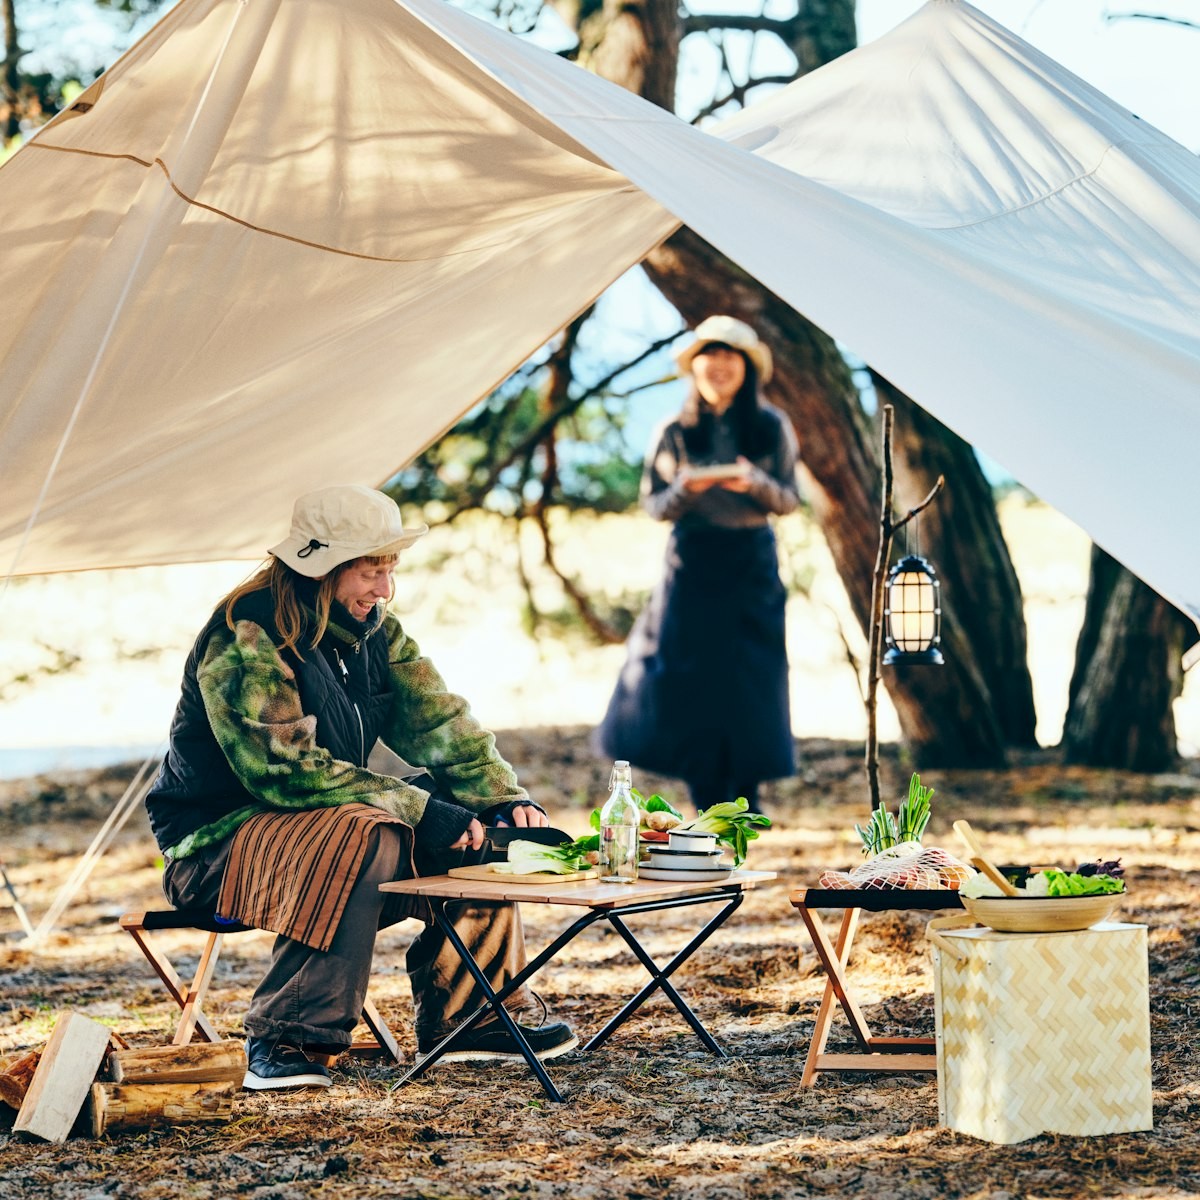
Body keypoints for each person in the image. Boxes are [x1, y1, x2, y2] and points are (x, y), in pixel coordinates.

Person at [145, 484, 576, 1090]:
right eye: (371, 572)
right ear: (320, 569)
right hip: (216, 848)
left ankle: (471, 1015)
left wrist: (504, 798)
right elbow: (283, 770)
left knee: (482, 833)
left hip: (324, 835)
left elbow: (441, 722)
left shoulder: (377, 629)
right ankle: (288, 1033)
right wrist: (420, 810)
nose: (385, 589)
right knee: (371, 831)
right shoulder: (247, 634)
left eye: (390, 570)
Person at [596, 315, 800, 814]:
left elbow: (789, 499)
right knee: (689, 680)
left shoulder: (770, 425)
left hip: (751, 563)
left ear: (747, 366)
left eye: (730, 355)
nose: (719, 365)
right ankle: (703, 799)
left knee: (749, 680)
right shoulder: (673, 430)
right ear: (696, 367)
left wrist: (752, 483)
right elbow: (654, 505)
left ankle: (746, 802)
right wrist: (687, 488)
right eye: (709, 355)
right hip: (691, 564)